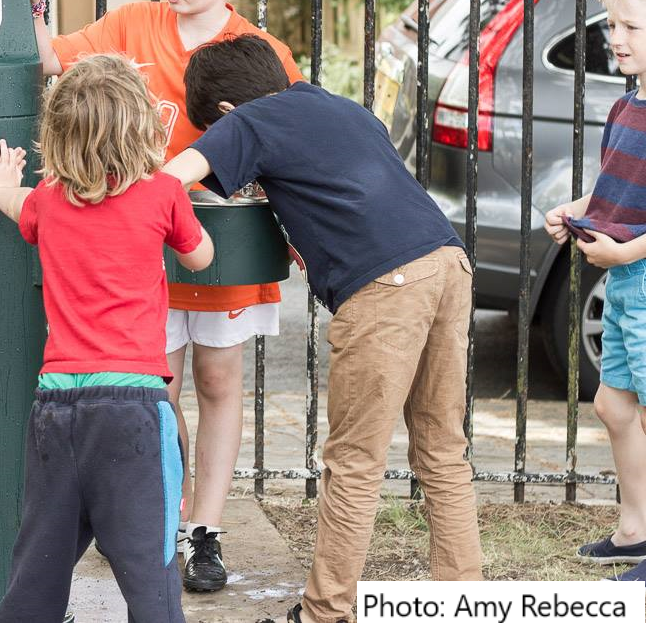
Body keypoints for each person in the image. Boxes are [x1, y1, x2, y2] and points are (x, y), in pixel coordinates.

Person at [18, 0, 303, 591]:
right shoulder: (131, 24)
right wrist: (34, 3)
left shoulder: (264, 52)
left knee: (219, 379)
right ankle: (158, 519)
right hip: (139, 251)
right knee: (156, 383)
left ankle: (204, 529)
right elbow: (53, 61)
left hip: (221, 241)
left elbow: (289, 145)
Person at [163, 34, 484, 622]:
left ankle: (324, 613)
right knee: (442, 452)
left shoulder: (251, 120)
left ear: (227, 114)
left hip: (385, 287)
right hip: (448, 262)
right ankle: (461, 600)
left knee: (355, 460)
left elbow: (167, 182)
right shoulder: (342, 108)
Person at [0, 55, 213, 622]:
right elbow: (201, 256)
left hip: (56, 405)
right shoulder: (162, 192)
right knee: (151, 576)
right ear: (141, 125)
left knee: (37, 573)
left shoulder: (48, 201)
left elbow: (16, 205)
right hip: (133, 406)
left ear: (56, 134)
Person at [544, 0, 646, 585]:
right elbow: (615, 187)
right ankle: (636, 528)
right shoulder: (627, 103)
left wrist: (626, 254)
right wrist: (576, 210)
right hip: (627, 282)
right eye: (614, 26)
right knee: (613, 404)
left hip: (636, 272)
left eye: (632, 27)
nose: (618, 39)